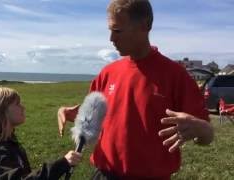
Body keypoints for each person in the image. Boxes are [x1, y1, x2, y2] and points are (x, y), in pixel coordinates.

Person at [57, 0, 214, 179]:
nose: (111, 39)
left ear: (145, 25)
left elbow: (207, 136)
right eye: (110, 31)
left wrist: (201, 128)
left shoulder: (175, 75)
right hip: (103, 175)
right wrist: (69, 112)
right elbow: (95, 113)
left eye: (117, 31)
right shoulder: (108, 73)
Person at [0, 87, 82, 180]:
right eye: (17, 104)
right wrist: (62, 164)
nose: (23, 107)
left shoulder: (8, 142)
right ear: (1, 112)